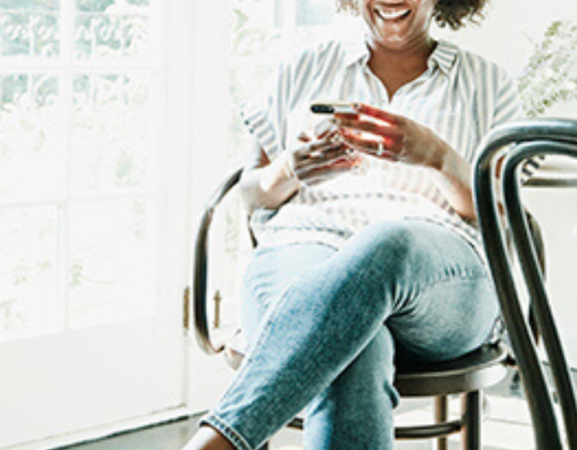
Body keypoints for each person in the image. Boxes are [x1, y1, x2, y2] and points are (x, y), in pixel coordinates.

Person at [180, 1, 536, 449]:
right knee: (352, 347)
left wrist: (436, 156)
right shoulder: (301, 67)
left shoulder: (487, 81)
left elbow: (500, 210)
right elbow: (252, 194)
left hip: (437, 278)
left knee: (387, 243)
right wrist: (292, 167)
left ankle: (221, 439)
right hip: (304, 244)